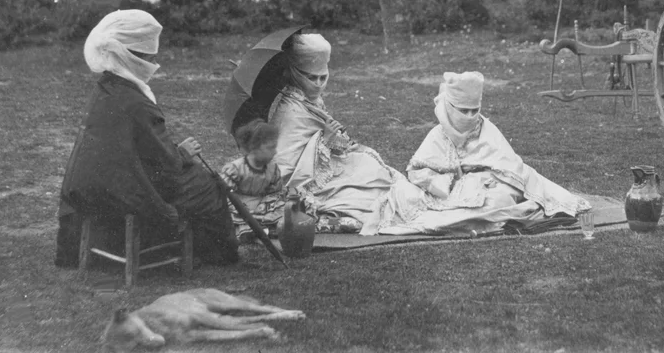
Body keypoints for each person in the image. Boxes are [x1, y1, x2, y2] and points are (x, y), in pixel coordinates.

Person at [54, 10, 239, 267]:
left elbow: (134, 149)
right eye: (149, 54)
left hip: (89, 189)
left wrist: (174, 152)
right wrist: (183, 154)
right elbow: (165, 166)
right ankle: (217, 255)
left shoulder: (105, 88)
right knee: (206, 185)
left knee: (193, 180)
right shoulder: (138, 102)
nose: (153, 59)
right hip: (123, 193)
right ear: (136, 57)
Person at [375, 71, 590, 236]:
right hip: (448, 191)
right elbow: (418, 171)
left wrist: (487, 179)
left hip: (488, 186)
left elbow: (510, 166)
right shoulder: (437, 134)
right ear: (450, 107)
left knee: (502, 199)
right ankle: (468, 220)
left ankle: (477, 219)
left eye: (474, 111)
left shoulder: (487, 129)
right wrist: (443, 181)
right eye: (463, 111)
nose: (470, 117)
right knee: (407, 196)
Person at [266, 32, 404, 234]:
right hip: (304, 184)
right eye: (312, 77)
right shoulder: (290, 111)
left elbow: (319, 135)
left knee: (372, 167)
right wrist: (327, 139)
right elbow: (289, 167)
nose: (319, 84)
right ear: (296, 73)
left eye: (323, 77)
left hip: (326, 166)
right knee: (368, 188)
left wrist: (334, 137)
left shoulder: (309, 101)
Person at [219, 120, 286, 242]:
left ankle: (267, 227)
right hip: (240, 206)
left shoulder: (272, 169)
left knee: (283, 208)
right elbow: (224, 193)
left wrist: (265, 204)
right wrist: (240, 207)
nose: (275, 152)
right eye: (270, 148)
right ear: (254, 148)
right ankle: (249, 232)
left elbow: (275, 192)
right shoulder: (236, 169)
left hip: (262, 205)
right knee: (235, 217)